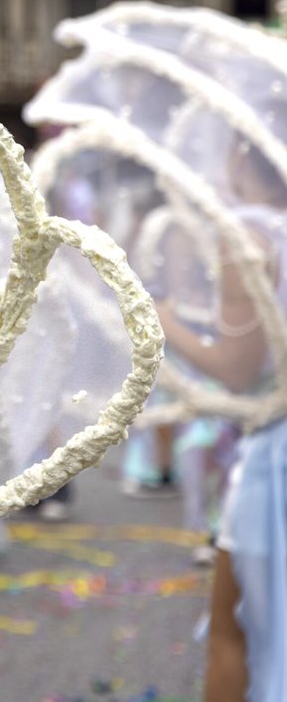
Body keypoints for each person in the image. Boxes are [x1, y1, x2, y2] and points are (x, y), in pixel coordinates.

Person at [155, 134, 287, 700]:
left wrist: (162, 321)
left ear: (244, 151)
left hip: (277, 453)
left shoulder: (249, 235)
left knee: (237, 629)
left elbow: (235, 368)